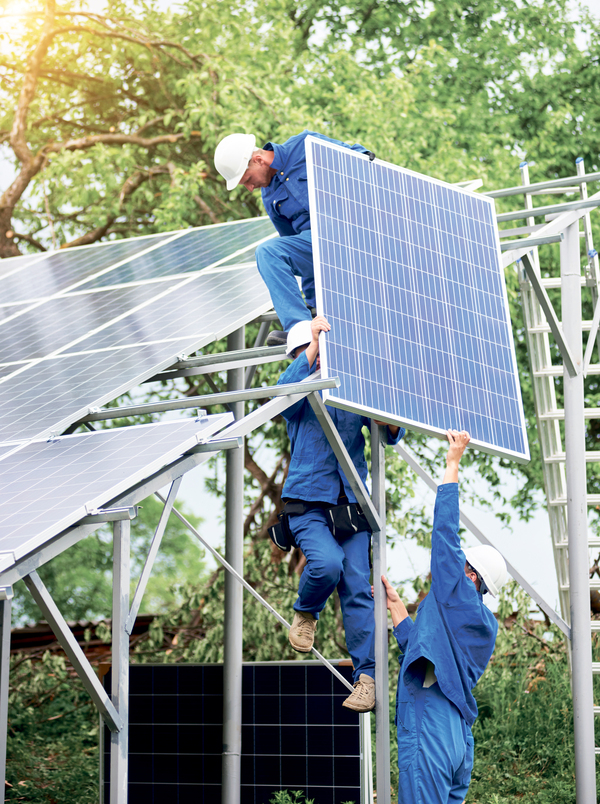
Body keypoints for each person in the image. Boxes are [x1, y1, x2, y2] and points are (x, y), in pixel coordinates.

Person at [277, 314, 404, 712]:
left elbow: (389, 432)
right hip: (307, 504)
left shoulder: (351, 388)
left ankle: (366, 678)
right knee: (327, 565)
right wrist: (312, 350)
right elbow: (283, 395)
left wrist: (382, 405)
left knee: (357, 589)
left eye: (315, 351)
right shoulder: (297, 395)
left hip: (350, 505)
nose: (314, 357)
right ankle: (306, 612)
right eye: (304, 353)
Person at [381, 429, 508, 803]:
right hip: (458, 736)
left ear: (471, 575)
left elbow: (444, 532)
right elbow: (426, 648)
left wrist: (453, 462)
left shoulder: (456, 589)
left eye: (461, 564)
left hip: (432, 723)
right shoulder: (484, 623)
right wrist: (397, 607)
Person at [214, 130, 374, 344]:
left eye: (248, 180)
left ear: (258, 160)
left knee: (269, 250)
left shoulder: (304, 145)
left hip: (352, 230)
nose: (250, 188)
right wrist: (316, 306)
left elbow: (353, 155)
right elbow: (297, 252)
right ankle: (300, 329)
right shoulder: (269, 197)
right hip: (320, 247)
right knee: (270, 253)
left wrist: (365, 160)